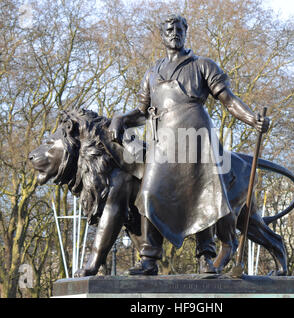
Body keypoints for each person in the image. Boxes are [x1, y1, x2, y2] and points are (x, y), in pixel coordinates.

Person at [109, 14, 269, 275]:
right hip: (165, 142)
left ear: (186, 33)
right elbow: (142, 112)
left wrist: (252, 118)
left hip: (196, 138)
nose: (175, 33)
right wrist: (120, 119)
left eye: (180, 28)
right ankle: (149, 259)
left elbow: (228, 100)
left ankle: (206, 256)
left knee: (202, 197)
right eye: (170, 29)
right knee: (149, 194)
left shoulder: (202, 65)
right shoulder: (152, 73)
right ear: (162, 35)